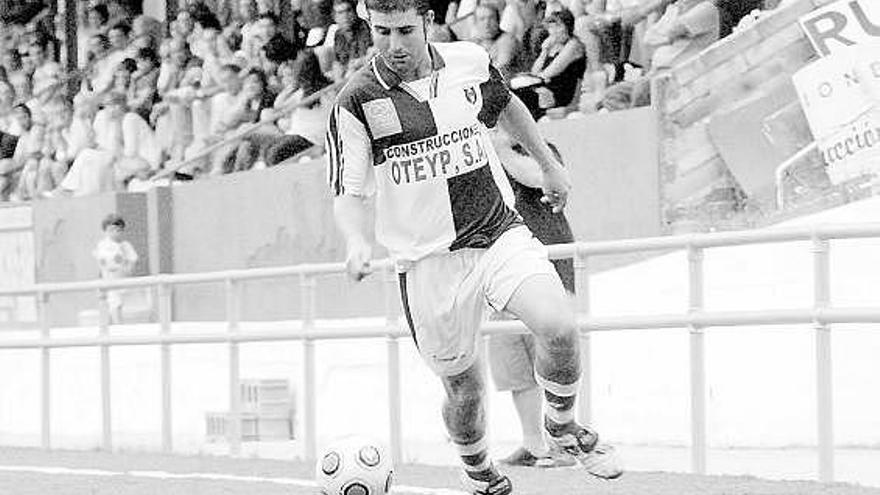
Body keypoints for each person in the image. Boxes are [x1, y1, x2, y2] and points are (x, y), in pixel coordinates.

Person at [326, 0, 623, 492]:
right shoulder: (355, 100)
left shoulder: (467, 62)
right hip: (427, 262)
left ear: (426, 20)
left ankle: (562, 426)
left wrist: (548, 166)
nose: (395, 45)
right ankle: (478, 467)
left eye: (405, 30)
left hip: (496, 232)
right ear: (368, 25)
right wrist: (356, 241)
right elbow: (349, 192)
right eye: (382, 32)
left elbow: (508, 107)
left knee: (559, 325)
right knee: (463, 391)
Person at [489, 131, 577, 469]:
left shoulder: (543, 149)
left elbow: (540, 179)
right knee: (515, 367)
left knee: (553, 357)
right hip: (504, 274)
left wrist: (501, 149)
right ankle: (533, 444)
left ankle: (563, 442)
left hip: (547, 271)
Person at [92, 213, 138, 324]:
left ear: (122, 231)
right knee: (113, 303)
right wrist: (100, 279)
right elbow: (101, 263)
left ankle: (117, 327)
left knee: (117, 304)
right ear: (105, 231)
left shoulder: (125, 246)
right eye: (110, 230)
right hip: (109, 281)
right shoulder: (102, 245)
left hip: (122, 279)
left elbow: (133, 261)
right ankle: (116, 327)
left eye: (117, 230)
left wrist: (128, 268)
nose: (114, 233)